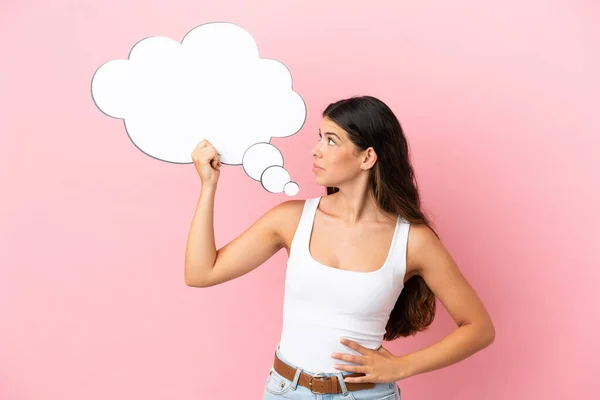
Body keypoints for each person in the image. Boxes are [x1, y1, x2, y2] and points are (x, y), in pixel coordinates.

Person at [185, 96, 496, 399]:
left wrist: (403, 366)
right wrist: (209, 185)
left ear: (367, 157)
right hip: (286, 392)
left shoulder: (413, 241)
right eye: (320, 138)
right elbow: (201, 272)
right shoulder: (291, 219)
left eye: (331, 140)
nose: (316, 150)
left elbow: (479, 328)